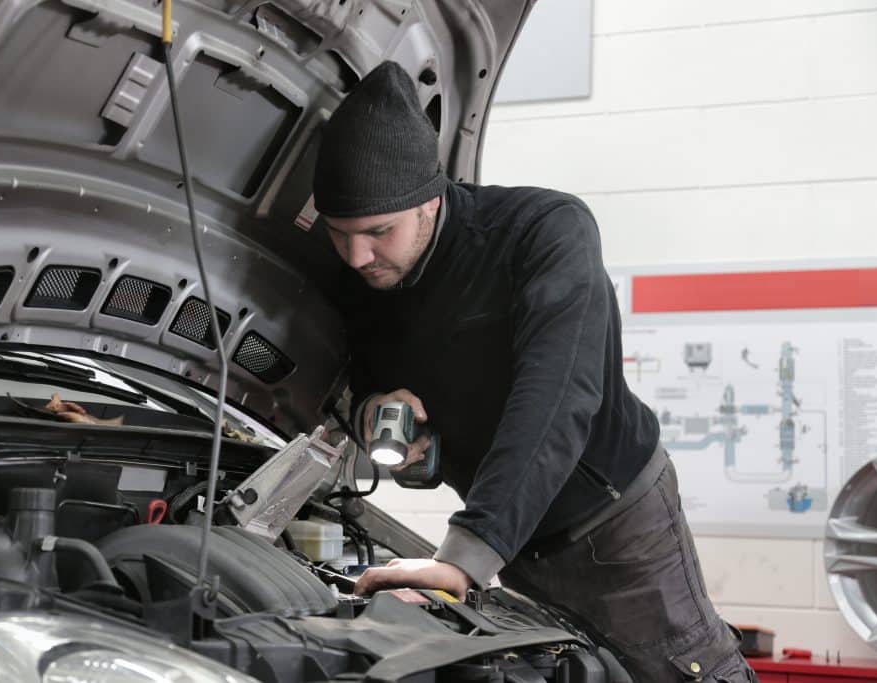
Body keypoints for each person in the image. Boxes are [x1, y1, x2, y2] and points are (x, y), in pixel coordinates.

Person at [312, 61, 754, 682]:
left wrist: (465, 556)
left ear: (431, 199)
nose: (357, 256)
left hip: (615, 526)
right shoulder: (360, 277)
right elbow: (343, 374)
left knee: (682, 673)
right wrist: (370, 414)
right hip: (511, 539)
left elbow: (556, 396)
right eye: (339, 234)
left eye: (378, 232)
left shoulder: (542, 233)